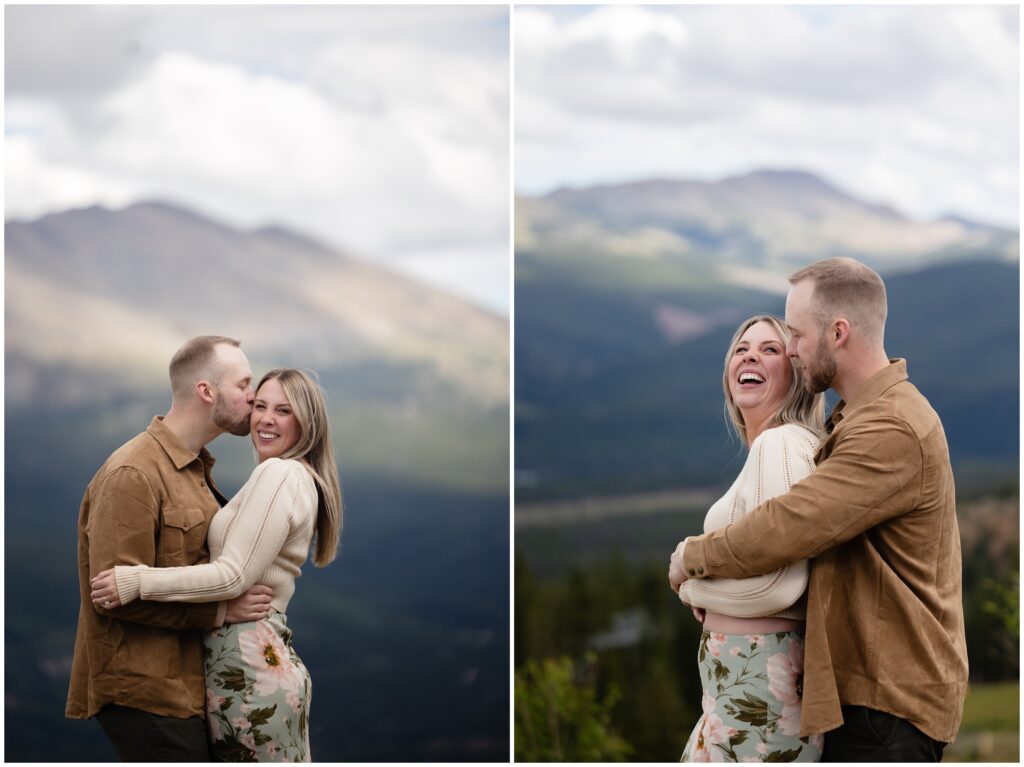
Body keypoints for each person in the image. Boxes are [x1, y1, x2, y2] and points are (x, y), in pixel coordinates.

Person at [669, 258, 968, 762]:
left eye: (797, 336)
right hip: (868, 697)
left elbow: (788, 528)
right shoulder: (858, 419)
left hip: (887, 708)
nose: (792, 349)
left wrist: (690, 563)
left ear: (839, 332)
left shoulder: (891, 427)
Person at [90, 367, 343, 762]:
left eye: (284, 410)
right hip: (249, 664)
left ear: (307, 422)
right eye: (260, 406)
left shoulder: (279, 474)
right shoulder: (291, 476)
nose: (266, 419)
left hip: (250, 672)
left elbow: (233, 576)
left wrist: (137, 580)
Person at [66, 335, 277, 761]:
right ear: (206, 391)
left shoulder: (193, 467)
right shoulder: (132, 474)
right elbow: (111, 596)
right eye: (243, 385)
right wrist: (220, 610)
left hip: (186, 689)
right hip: (145, 693)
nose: (254, 398)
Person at [677, 314, 826, 762]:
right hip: (744, 690)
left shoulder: (779, 445)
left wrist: (691, 583)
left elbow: (780, 585)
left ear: (797, 374)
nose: (750, 356)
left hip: (762, 696)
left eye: (770, 349)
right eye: (742, 349)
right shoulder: (781, 447)